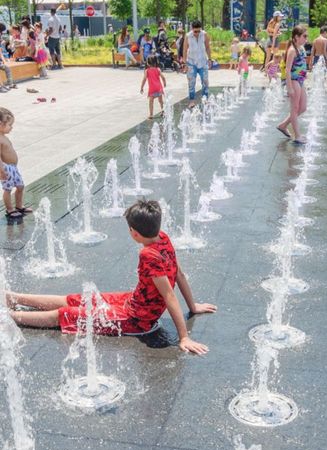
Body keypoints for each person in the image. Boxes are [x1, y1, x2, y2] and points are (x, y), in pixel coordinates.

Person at [6, 200, 217, 353]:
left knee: (65, 314)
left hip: (136, 320)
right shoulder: (163, 238)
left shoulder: (147, 254)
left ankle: (8, 317)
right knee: (75, 299)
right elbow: (179, 274)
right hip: (132, 301)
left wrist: (184, 337)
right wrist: (193, 306)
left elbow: (169, 295)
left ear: (134, 232)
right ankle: (13, 297)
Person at [276, 25, 308, 145]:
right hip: (294, 81)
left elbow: (301, 63)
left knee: (303, 107)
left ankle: (283, 125)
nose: (306, 38)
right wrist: (289, 87)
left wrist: (305, 74)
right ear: (296, 37)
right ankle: (297, 136)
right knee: (294, 108)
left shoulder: (300, 48)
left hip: (300, 80)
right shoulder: (292, 50)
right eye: (304, 36)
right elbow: (288, 70)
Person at [0, 108, 33, 219]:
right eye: (9, 125)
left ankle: (19, 206)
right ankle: (10, 209)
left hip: (13, 168)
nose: (11, 127)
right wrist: (2, 170)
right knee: (7, 189)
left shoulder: (4, 137)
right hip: (6, 168)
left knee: (20, 186)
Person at [182, 20, 212, 107]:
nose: (197, 33)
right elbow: (184, 50)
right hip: (191, 62)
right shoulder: (188, 36)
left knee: (205, 81)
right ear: (192, 29)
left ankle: (205, 99)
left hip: (203, 61)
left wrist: (210, 59)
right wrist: (184, 63)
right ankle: (192, 101)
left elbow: (207, 47)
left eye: (199, 31)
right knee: (191, 82)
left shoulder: (204, 34)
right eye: (195, 31)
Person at [140, 55, 166, 119]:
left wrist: (142, 87)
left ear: (148, 63)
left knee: (151, 102)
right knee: (161, 101)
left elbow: (144, 79)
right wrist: (164, 83)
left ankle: (151, 114)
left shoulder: (147, 71)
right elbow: (163, 77)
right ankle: (163, 111)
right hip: (159, 88)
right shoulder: (158, 69)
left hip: (152, 89)